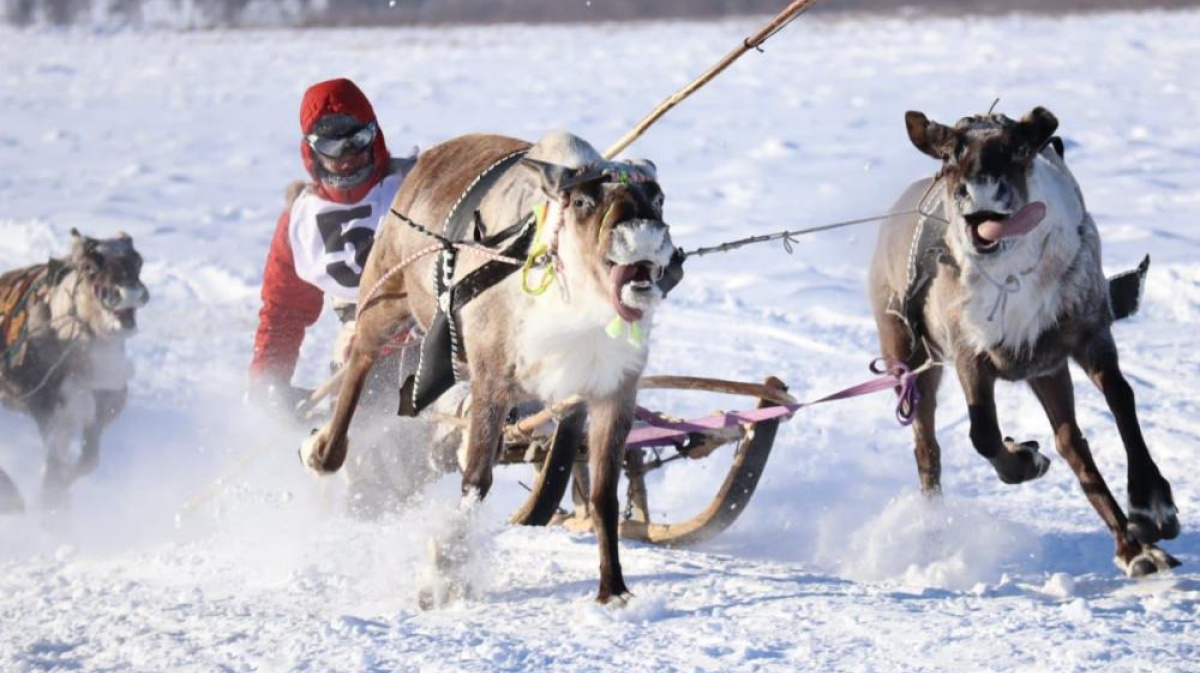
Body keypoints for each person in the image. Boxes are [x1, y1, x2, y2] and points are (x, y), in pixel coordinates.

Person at [248, 77, 434, 516]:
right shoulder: (301, 221)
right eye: (333, 147)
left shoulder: (415, 182)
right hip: (362, 343)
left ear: (375, 135)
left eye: (358, 140)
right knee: (370, 459)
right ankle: (370, 531)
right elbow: (284, 309)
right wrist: (269, 381)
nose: (347, 158)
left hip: (436, 323)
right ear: (311, 150)